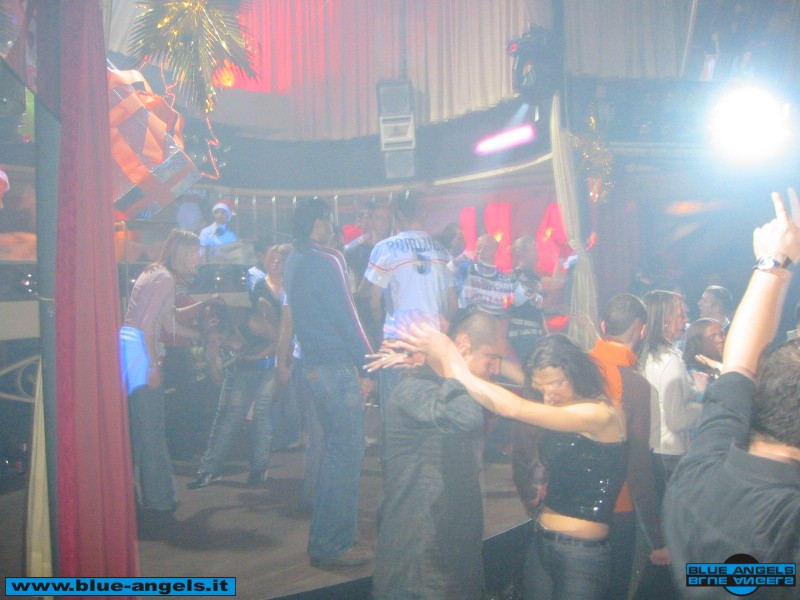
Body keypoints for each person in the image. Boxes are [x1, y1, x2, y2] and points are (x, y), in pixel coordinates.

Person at [371, 332, 628, 600]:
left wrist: (448, 356)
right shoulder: (562, 404)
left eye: (556, 384)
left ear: (575, 371)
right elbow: (509, 372)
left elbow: (513, 407)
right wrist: (431, 360)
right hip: (541, 541)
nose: (548, 396)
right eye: (541, 389)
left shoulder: (601, 413)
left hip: (581, 554)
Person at [665, 189, 800, 597]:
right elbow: (741, 367)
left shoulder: (697, 475)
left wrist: (775, 261)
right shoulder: (787, 520)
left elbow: (739, 366)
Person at [371, 310, 505, 600]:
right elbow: (464, 418)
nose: (496, 368)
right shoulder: (415, 390)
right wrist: (450, 359)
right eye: (491, 357)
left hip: (448, 551)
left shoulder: (450, 390)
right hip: (420, 562)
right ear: (463, 346)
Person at [280, 197, 375, 568]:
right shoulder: (328, 258)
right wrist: (368, 365)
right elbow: (348, 317)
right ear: (319, 222)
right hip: (336, 366)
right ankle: (333, 544)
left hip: (314, 365)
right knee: (346, 452)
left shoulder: (293, 258)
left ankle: (328, 539)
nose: (333, 228)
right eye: (330, 221)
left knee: (336, 451)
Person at [588, 293, 669, 600]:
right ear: (641, 329)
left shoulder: (572, 367)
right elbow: (637, 464)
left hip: (563, 504)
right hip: (615, 505)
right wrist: (657, 537)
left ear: (603, 325)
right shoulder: (634, 384)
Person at [119, 229, 206, 514]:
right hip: (140, 354)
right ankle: (159, 499)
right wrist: (153, 365)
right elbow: (147, 324)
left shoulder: (155, 272)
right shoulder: (166, 278)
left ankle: (133, 496)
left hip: (131, 350)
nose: (200, 258)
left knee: (140, 430)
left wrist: (199, 336)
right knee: (152, 431)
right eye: (197, 252)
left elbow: (167, 323)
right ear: (183, 252)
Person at [186, 291, 280, 489]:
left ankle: (259, 468)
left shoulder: (249, 321)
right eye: (210, 340)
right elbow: (219, 382)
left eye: (217, 339)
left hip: (269, 365)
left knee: (261, 412)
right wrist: (213, 361)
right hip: (243, 369)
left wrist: (254, 356)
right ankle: (210, 470)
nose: (215, 343)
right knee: (229, 415)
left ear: (226, 330)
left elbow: (279, 340)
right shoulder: (215, 340)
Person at [640, 290, 703, 487]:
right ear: (665, 320)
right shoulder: (668, 360)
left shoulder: (643, 353)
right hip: (669, 455)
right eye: (681, 315)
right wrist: (707, 406)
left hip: (651, 450)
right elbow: (677, 420)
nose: (686, 319)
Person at [682, 318, 725, 395]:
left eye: (721, 334)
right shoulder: (693, 375)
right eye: (712, 337)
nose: (720, 340)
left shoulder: (730, 364)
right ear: (698, 343)